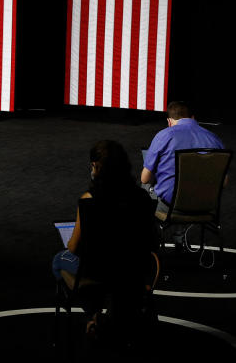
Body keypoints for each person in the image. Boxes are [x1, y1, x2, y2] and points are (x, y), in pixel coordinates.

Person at [52, 140, 158, 333]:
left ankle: (93, 314)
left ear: (97, 167)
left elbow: (74, 247)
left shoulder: (89, 200)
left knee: (59, 259)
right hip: (134, 270)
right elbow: (152, 240)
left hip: (98, 271)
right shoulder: (142, 199)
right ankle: (112, 314)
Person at [140, 100, 226, 216]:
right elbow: (224, 182)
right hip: (206, 206)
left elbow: (145, 178)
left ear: (169, 122)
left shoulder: (164, 135)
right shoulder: (214, 139)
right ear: (193, 118)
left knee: (145, 185)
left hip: (172, 206)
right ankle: (182, 229)